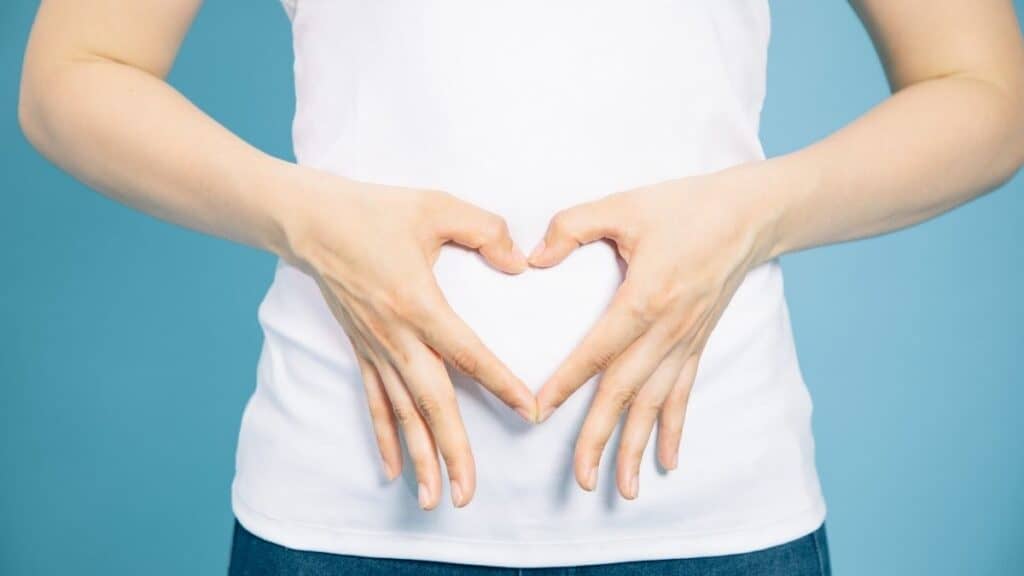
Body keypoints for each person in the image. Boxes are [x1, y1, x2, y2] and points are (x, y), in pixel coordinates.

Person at [17, 0, 1024, 574]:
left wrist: (756, 212)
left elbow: (984, 92)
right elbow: (72, 74)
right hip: (344, 516)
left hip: (714, 520)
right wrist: (308, 218)